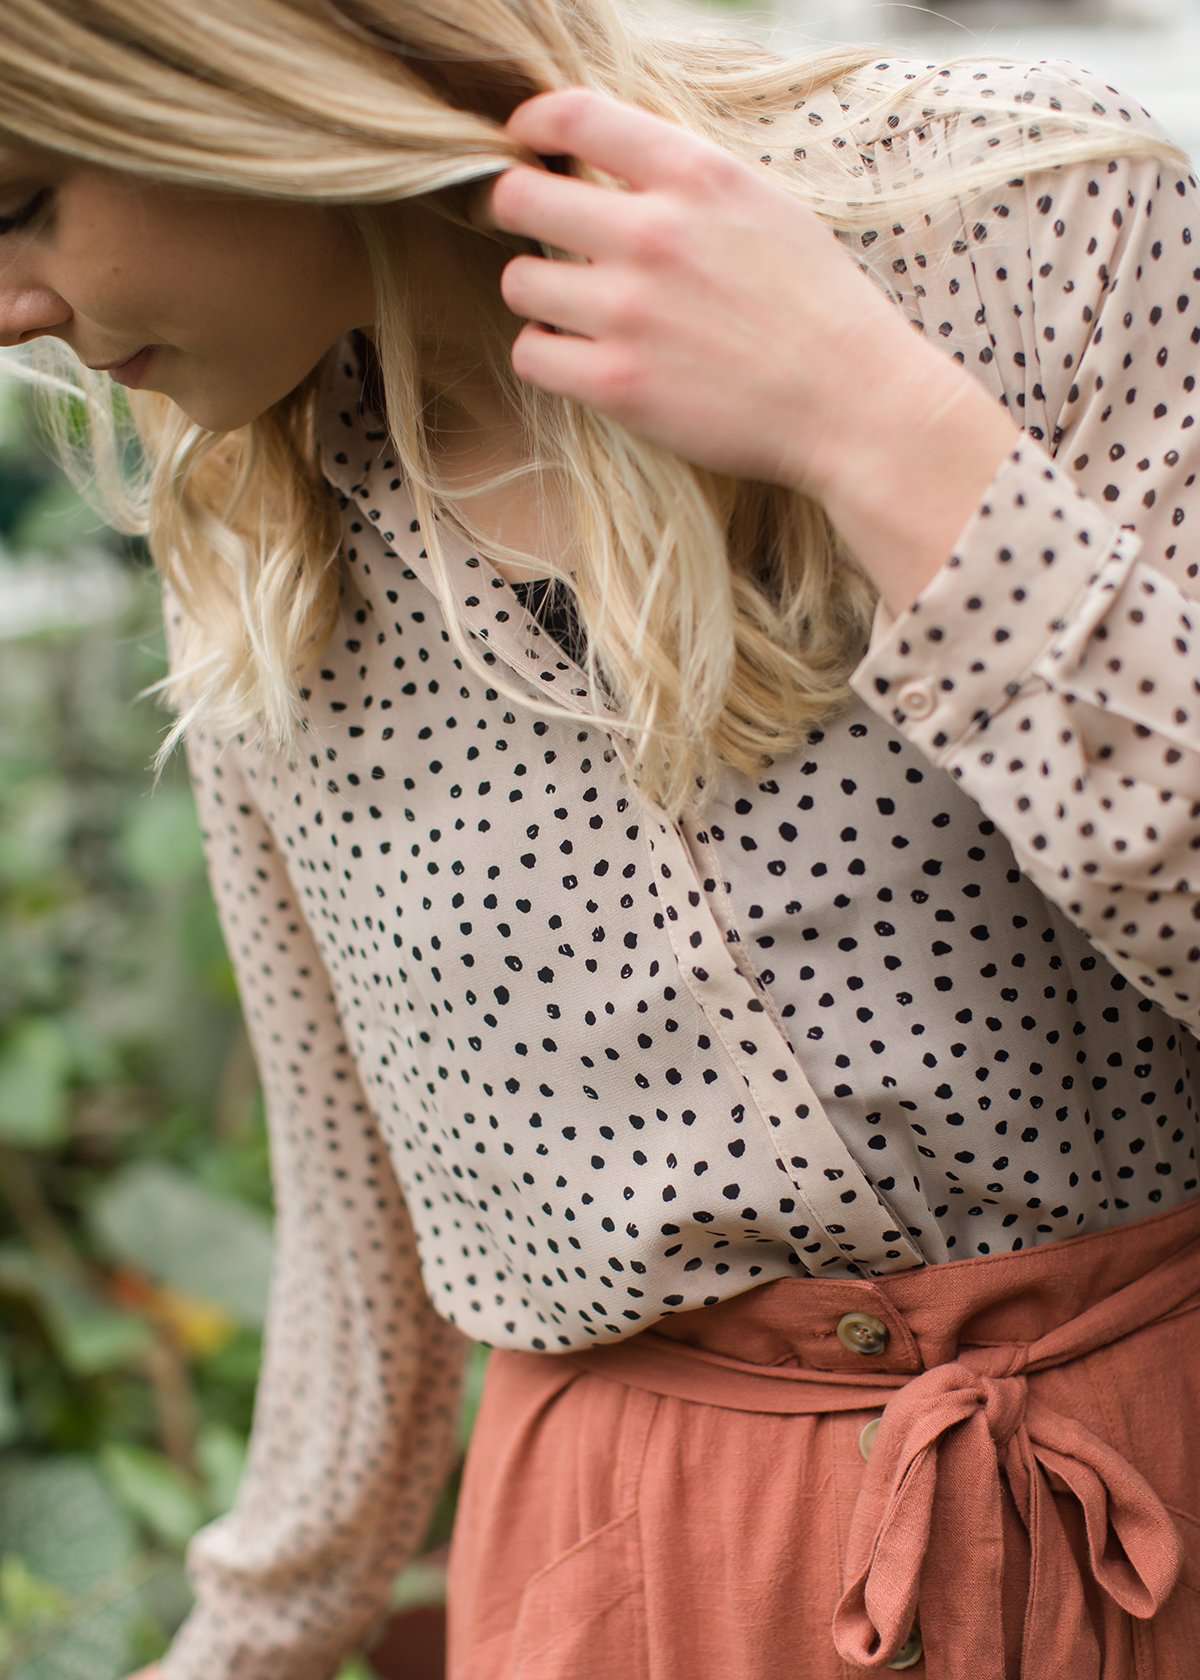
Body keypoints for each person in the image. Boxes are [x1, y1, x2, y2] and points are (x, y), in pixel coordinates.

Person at [1, 1, 1197, 1675]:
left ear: (238, 70)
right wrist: (244, 1645)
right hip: (640, 1597)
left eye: (20, 204)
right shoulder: (258, 535)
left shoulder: (1022, 213)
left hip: (1142, 1517)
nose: (8, 318)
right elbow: (364, 1244)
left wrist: (877, 427)